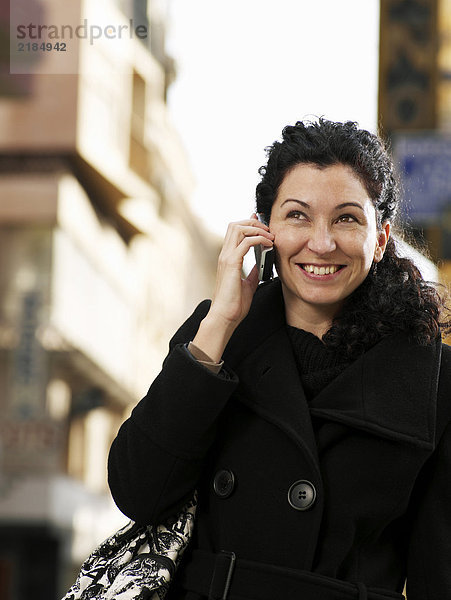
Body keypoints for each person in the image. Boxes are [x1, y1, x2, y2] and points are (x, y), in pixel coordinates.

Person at [108, 118, 451, 600]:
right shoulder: (216, 336)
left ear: (380, 239)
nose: (322, 242)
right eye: (298, 216)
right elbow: (138, 491)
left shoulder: (434, 379)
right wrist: (223, 321)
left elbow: (441, 570)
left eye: (347, 218)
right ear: (264, 228)